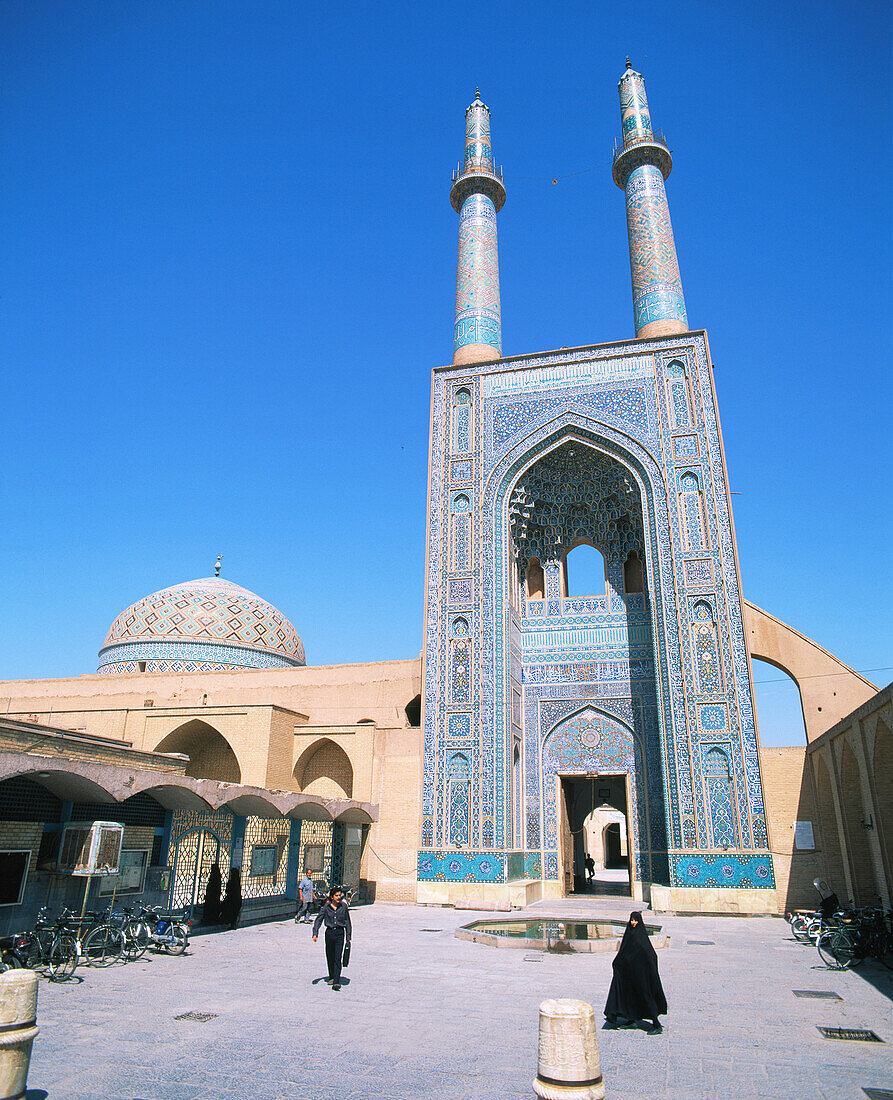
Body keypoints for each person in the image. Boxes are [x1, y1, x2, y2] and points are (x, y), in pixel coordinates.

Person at [604, 911, 666, 1035]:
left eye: (636, 920)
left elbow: (649, 955)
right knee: (629, 993)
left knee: (645, 995)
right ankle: (631, 1019)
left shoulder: (640, 936)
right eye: (632, 920)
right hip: (630, 972)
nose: (633, 923)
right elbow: (625, 952)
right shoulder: (630, 934)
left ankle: (656, 1025)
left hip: (641, 974)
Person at [312, 886, 352, 991]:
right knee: (330, 955)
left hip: (339, 933)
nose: (339, 898)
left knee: (338, 956)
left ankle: (337, 981)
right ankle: (332, 976)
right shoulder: (326, 907)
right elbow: (318, 920)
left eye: (340, 895)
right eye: (336, 896)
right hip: (329, 933)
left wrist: (348, 937)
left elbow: (347, 922)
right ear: (332, 897)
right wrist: (315, 933)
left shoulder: (343, 907)